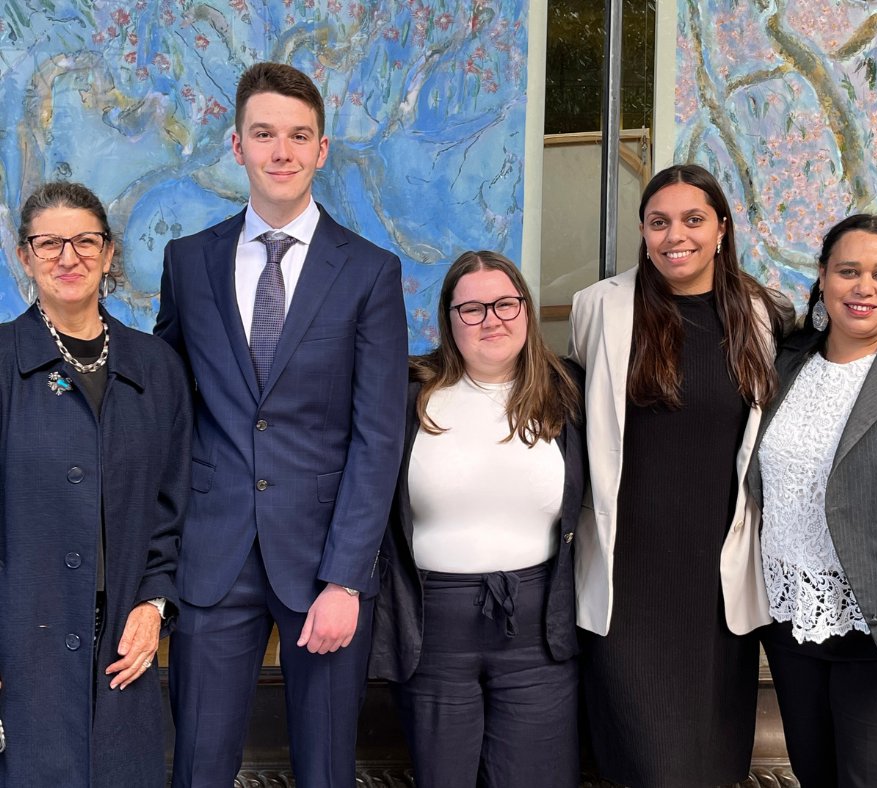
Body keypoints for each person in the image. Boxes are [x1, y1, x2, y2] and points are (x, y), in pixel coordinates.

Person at [154, 61, 407, 787]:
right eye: (265, 134)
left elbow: (377, 435)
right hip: (213, 559)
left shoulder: (369, 272)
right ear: (237, 145)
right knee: (199, 766)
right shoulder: (188, 261)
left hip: (324, 563)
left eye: (299, 136)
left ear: (322, 149)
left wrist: (347, 579)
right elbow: (169, 406)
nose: (282, 151)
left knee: (324, 769)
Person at [568, 163, 794, 787]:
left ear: (721, 227)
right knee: (647, 764)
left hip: (717, 588)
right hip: (627, 583)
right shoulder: (600, 309)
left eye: (693, 220)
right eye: (659, 222)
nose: (676, 236)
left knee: (712, 766)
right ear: (642, 232)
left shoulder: (763, 315)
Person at [369, 250, 585, 787]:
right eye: (472, 309)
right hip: (431, 633)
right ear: (448, 320)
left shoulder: (567, 393)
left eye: (506, 304)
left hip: (540, 633)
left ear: (527, 311)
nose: (492, 319)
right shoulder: (408, 394)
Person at [0, 182, 191, 787]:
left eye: (85, 241)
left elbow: (175, 504)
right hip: (23, 640)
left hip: (122, 645)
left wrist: (154, 606)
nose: (68, 256)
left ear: (109, 254)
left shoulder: (155, 366)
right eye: (49, 243)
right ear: (25, 257)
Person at [749, 214, 877, 787]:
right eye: (849, 271)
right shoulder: (784, 361)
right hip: (792, 623)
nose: (864, 287)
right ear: (824, 278)